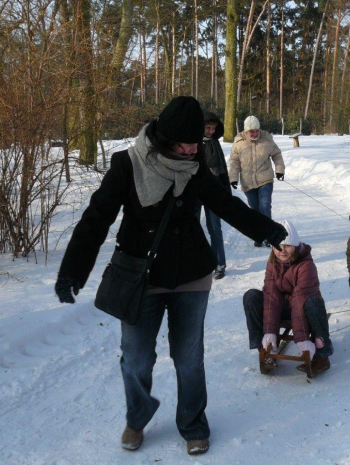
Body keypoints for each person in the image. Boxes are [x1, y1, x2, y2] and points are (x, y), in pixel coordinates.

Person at [53, 96, 287, 456]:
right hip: (140, 276)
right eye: (186, 143)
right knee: (136, 357)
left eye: (197, 142)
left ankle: (193, 423)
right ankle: (138, 415)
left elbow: (227, 206)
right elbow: (96, 217)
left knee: (189, 356)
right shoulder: (128, 165)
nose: (195, 149)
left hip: (191, 274)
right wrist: (73, 270)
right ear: (164, 138)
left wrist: (271, 233)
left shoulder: (194, 168)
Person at [243, 220, 333, 375]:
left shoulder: (306, 265)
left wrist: (302, 339)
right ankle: (263, 349)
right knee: (251, 296)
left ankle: (322, 355)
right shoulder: (273, 262)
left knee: (313, 303)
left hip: (304, 308)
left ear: (296, 246)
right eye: (278, 245)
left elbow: (300, 299)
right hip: (281, 308)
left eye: (287, 246)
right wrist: (270, 332)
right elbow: (271, 294)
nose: (282, 250)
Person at [229, 115, 285, 247]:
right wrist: (233, 178)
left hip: (265, 179)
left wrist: (279, 170)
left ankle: (270, 235)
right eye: (251, 131)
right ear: (246, 131)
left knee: (264, 206)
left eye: (256, 131)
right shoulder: (238, 142)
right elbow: (234, 162)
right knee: (254, 210)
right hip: (248, 182)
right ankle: (258, 235)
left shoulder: (267, 139)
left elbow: (276, 154)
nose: (254, 134)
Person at [197, 110, 230, 279]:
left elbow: (222, 168)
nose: (210, 131)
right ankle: (195, 263)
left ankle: (220, 263)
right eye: (207, 127)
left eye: (212, 128)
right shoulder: (191, 142)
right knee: (192, 228)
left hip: (213, 192)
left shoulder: (214, 143)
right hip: (194, 193)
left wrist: (226, 191)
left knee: (215, 228)